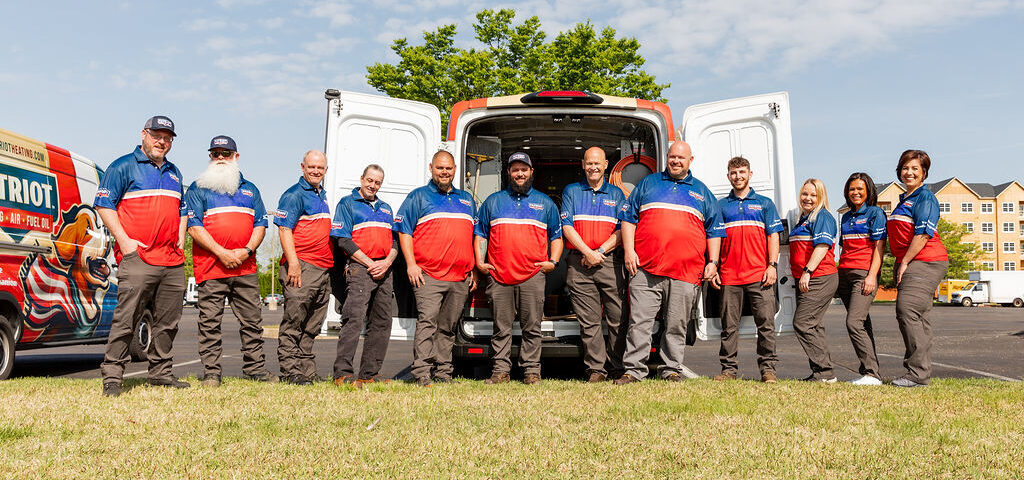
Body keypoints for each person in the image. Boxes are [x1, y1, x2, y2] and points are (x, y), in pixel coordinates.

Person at [615, 141, 725, 385]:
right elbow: (628, 219)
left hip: (686, 272)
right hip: (645, 269)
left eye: (681, 158)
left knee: (676, 324)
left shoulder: (702, 191)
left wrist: (713, 262)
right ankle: (634, 370)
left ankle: (671, 368)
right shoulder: (648, 183)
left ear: (690, 160)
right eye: (672, 156)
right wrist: (629, 252)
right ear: (667, 157)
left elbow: (714, 230)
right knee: (639, 324)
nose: (676, 161)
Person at [95, 116, 189, 396]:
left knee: (168, 321)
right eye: (157, 135)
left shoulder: (174, 172)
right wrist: (125, 243)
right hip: (139, 258)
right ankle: (113, 376)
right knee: (127, 319)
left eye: (168, 137)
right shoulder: (123, 165)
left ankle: (160, 373)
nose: (162, 141)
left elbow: (182, 209)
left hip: (171, 261)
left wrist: (181, 239)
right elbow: (103, 204)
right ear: (144, 135)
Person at [183, 135, 277, 387]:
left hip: (245, 267)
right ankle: (212, 373)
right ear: (210, 157)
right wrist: (222, 252)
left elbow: (260, 224)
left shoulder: (250, 189)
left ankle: (255, 369)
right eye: (216, 153)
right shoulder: (197, 188)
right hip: (211, 268)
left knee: (252, 322)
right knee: (210, 323)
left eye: (226, 153)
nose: (221, 158)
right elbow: (193, 227)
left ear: (236, 157)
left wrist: (245, 250)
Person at [474, 152, 562, 385]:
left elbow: (557, 236)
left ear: (532, 172)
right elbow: (480, 233)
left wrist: (552, 261)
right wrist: (480, 262)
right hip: (499, 274)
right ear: (509, 173)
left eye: (524, 169)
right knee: (500, 327)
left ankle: (531, 371)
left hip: (532, 275)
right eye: (515, 169)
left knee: (532, 327)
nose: (520, 173)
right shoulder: (493, 201)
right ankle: (500, 371)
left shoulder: (545, 203)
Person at [397, 151, 477, 387]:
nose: (444, 172)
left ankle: (443, 372)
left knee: (448, 327)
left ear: (455, 169)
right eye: (440, 168)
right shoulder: (418, 197)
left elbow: (473, 236)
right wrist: (411, 264)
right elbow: (404, 231)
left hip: (460, 277)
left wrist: (473, 268)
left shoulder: (466, 199)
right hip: (428, 275)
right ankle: (422, 372)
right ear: (431, 168)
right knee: (427, 323)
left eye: (449, 168)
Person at [711, 156, 783, 383]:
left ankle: (768, 370)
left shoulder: (764, 203)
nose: (738, 176)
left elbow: (773, 236)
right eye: (733, 173)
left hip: (759, 275)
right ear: (728, 176)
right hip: (730, 276)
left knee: (766, 325)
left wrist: (772, 265)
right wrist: (715, 268)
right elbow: (715, 238)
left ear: (750, 174)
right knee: (729, 327)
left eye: (742, 172)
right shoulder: (720, 206)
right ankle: (728, 370)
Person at [559, 147, 628, 383]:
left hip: (608, 262)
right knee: (589, 321)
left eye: (597, 163)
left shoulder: (618, 194)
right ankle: (596, 370)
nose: (593, 167)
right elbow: (566, 226)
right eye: (589, 163)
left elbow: (622, 229)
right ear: (583, 164)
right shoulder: (572, 191)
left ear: (606, 164)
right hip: (579, 263)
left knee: (618, 318)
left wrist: (598, 252)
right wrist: (587, 252)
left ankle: (618, 367)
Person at [331, 164, 398, 388]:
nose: (373, 185)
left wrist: (387, 262)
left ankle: (368, 374)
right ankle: (343, 374)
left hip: (384, 271)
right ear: (362, 179)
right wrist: (371, 263)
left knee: (381, 323)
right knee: (354, 320)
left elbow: (396, 240)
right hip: (361, 269)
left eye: (377, 182)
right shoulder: (347, 203)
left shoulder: (386, 208)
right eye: (369, 180)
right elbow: (342, 239)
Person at [887, 150, 948, 388]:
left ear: (924, 173)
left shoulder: (925, 197)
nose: (909, 172)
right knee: (919, 317)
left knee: (907, 310)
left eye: (915, 168)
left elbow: (923, 234)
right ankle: (920, 373)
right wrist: (901, 261)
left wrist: (903, 262)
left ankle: (917, 373)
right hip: (915, 260)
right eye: (905, 168)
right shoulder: (906, 199)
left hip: (927, 259)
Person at [274, 150, 333, 385]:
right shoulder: (294, 195)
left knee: (311, 325)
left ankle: (306, 371)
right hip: (302, 267)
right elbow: (284, 229)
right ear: (303, 167)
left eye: (320, 168)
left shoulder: (322, 194)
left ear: (326, 170)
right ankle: (291, 371)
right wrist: (294, 263)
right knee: (294, 322)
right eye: (312, 167)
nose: (316, 171)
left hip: (322, 269)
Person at [837, 172, 887, 386]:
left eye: (859, 188)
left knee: (853, 322)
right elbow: (843, 248)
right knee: (863, 323)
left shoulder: (875, 213)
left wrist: (871, 276)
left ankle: (871, 374)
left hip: (863, 275)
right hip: (845, 274)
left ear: (868, 190)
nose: (855, 192)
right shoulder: (847, 216)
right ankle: (870, 372)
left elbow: (879, 248)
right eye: (851, 189)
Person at [789, 178, 839, 383]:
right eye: (805, 194)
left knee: (802, 323)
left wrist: (807, 271)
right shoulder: (804, 219)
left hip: (820, 277)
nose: (808, 198)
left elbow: (822, 247)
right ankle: (822, 373)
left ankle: (825, 371)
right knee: (814, 325)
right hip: (807, 278)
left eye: (813, 195)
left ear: (821, 197)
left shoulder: (823, 217)